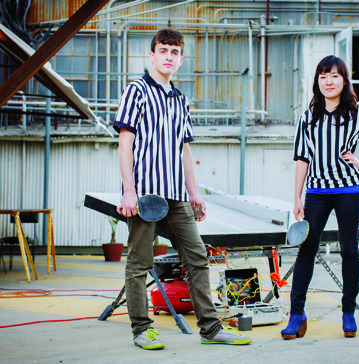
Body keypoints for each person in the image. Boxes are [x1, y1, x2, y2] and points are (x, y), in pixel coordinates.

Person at [114, 28, 251, 350]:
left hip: (176, 196)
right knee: (139, 262)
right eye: (163, 51)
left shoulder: (179, 99)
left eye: (175, 53)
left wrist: (195, 194)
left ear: (181, 59)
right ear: (152, 55)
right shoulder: (136, 91)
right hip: (146, 194)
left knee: (197, 257)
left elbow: (184, 151)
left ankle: (211, 328)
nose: (169, 57)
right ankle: (141, 328)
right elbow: (125, 144)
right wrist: (128, 191)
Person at [281, 55, 359, 340]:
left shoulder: (357, 113)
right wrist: (296, 198)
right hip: (317, 194)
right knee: (306, 251)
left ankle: (348, 312)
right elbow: (301, 159)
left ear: (344, 80)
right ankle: (296, 314)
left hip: (348, 192)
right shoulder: (307, 117)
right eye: (323, 76)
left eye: (334, 76)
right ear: (317, 82)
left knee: (349, 250)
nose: (328, 81)